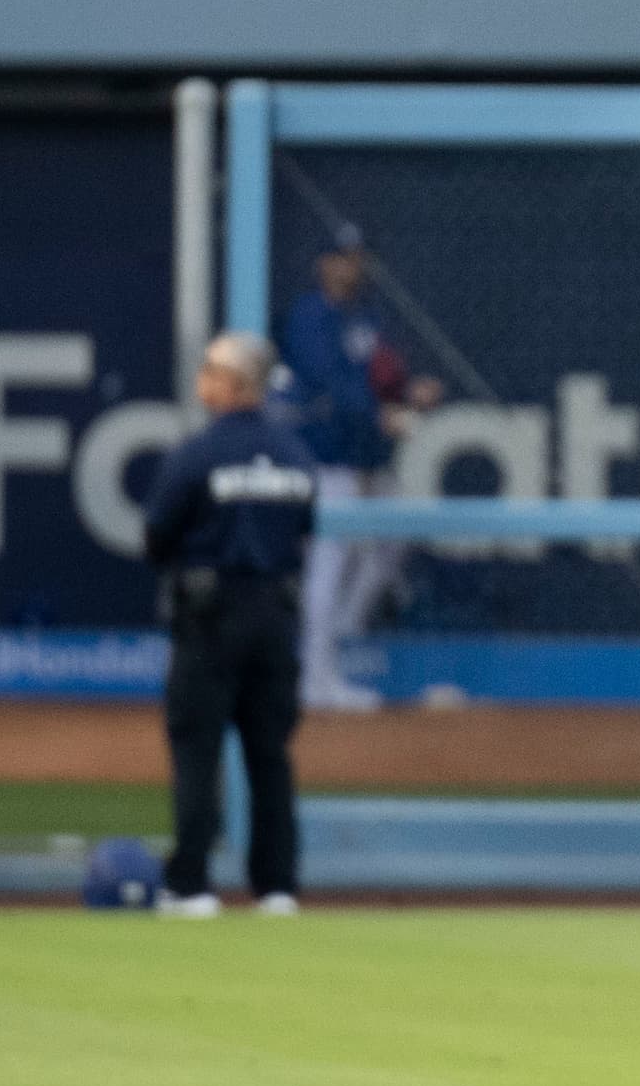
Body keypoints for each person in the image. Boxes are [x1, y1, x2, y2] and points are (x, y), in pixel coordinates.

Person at [137, 334, 317, 920]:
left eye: (211, 370)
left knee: (197, 747)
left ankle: (191, 885)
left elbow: (157, 535)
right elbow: (303, 529)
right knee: (270, 753)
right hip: (276, 617)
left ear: (237, 385)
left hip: (211, 618)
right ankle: (277, 887)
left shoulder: (197, 455)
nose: (202, 379)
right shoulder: (295, 456)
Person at [275, 228, 432, 714]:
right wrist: (378, 412)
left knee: (393, 541)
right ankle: (316, 679)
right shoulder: (309, 316)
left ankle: (337, 643)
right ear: (324, 263)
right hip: (326, 458)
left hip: (368, 458)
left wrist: (407, 396)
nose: (352, 266)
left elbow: (381, 376)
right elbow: (330, 382)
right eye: (342, 257)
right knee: (329, 562)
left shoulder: (365, 317)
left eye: (357, 257)